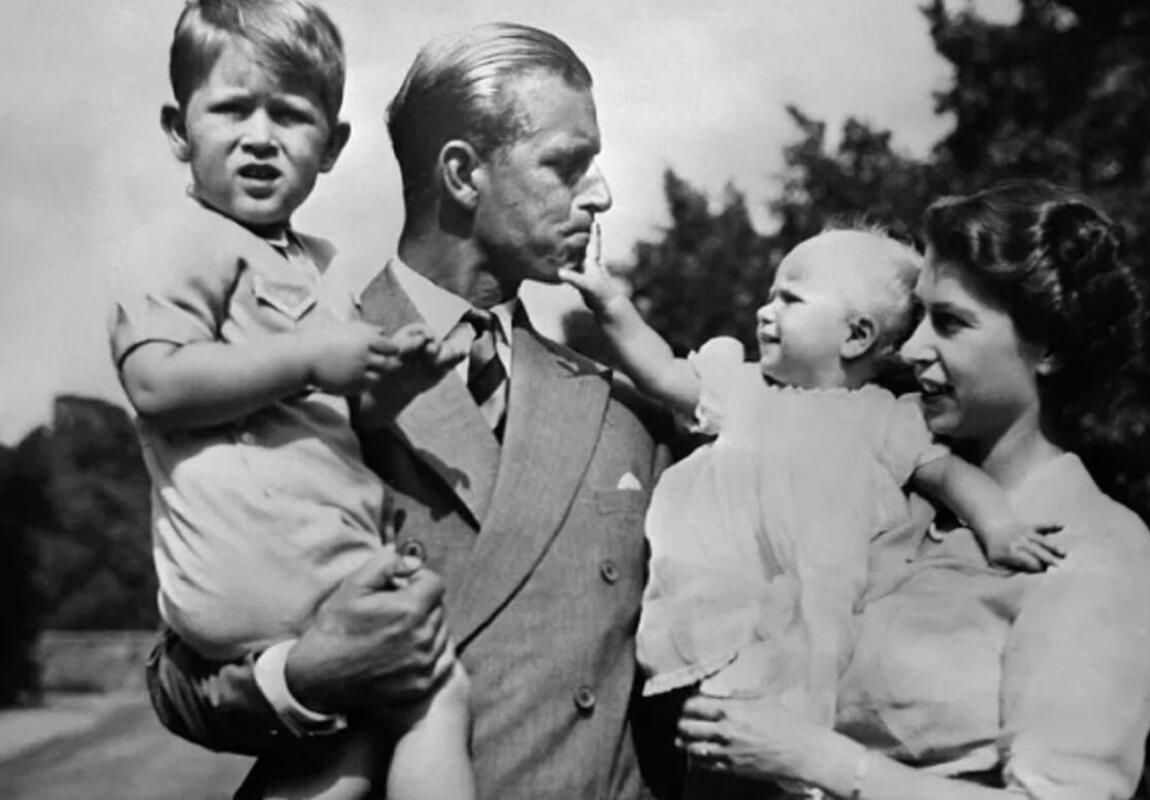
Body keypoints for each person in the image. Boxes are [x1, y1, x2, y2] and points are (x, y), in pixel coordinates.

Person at [140, 20, 677, 800]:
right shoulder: (285, 374)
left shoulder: (623, 412)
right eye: (567, 164)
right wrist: (306, 674)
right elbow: (178, 676)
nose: (600, 194)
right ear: (462, 173)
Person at [675, 181, 1150, 800]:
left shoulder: (1098, 554)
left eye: (950, 323)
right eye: (919, 316)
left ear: (1045, 348)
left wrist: (818, 760)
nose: (911, 348)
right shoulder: (887, 487)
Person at [108, 2, 475, 799]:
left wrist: (388, 387)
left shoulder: (319, 264)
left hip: (312, 556)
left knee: (351, 750)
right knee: (436, 691)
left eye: (290, 115)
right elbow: (156, 384)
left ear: (332, 146)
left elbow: (329, 419)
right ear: (178, 130)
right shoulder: (180, 241)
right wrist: (310, 356)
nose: (260, 137)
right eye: (232, 109)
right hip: (265, 564)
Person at [561, 225, 1061, 734]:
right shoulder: (745, 389)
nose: (765, 311)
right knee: (714, 739)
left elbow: (952, 478)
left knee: (800, 731)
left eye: (790, 299)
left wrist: (1000, 527)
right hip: (725, 618)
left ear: (856, 336)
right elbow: (662, 371)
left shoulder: (884, 419)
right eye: (770, 296)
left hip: (826, 627)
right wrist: (608, 303)